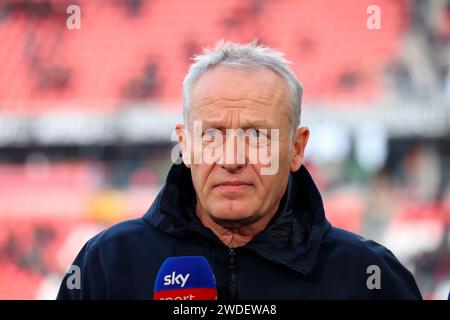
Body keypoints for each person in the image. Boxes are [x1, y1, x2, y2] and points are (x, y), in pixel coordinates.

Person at [57, 40, 422, 299]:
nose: (232, 159)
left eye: (257, 135)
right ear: (185, 145)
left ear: (296, 148)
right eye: (212, 135)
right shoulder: (105, 266)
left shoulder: (368, 277)